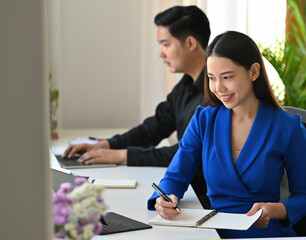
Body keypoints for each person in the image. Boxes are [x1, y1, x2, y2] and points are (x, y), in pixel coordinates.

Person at [147, 31, 306, 238]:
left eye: (227, 77)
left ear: (253, 72)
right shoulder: (203, 120)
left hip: (264, 231)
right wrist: (163, 198)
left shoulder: (287, 127)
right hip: (213, 231)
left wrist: (273, 210)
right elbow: (175, 177)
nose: (219, 88)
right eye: (211, 78)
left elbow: (305, 197)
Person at [62, 6, 211, 209]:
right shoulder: (185, 86)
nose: (160, 54)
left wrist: (122, 155)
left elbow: (186, 152)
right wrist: (107, 145)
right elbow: (154, 127)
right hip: (184, 192)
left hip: (202, 199)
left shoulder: (217, 93)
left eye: (165, 44)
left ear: (191, 43)